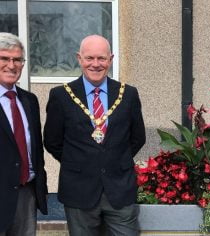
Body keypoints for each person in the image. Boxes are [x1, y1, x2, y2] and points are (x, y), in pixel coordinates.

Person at [44, 35, 146, 236]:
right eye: (89, 58)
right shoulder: (61, 96)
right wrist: (80, 162)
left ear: (111, 59)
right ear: (79, 59)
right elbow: (52, 141)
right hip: (79, 190)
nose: (96, 64)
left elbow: (137, 138)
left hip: (119, 190)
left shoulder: (128, 94)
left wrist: (114, 160)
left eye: (101, 58)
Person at [0, 32, 48, 236]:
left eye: (17, 59)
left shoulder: (29, 100)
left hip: (26, 194)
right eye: (4, 58)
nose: (12, 65)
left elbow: (36, 148)